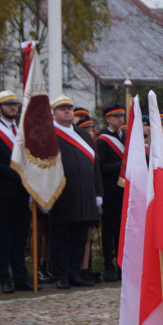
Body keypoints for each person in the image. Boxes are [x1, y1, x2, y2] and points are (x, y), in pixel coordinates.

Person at [49, 95, 103, 289]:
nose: (67, 111)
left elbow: (94, 164)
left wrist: (98, 194)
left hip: (86, 193)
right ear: (54, 113)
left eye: (69, 108)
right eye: (62, 108)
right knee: (61, 238)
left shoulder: (81, 134)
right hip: (63, 194)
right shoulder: (50, 134)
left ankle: (74, 272)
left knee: (80, 237)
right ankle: (61, 275)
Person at [0, 90, 35, 293]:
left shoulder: (22, 130)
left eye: (15, 104)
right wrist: (20, 175)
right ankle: (5, 278)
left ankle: (20, 278)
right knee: (3, 237)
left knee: (20, 237)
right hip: (5, 192)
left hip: (24, 192)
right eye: (8, 104)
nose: (13, 107)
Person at [96, 103, 126, 282]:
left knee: (122, 230)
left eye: (121, 116)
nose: (120, 119)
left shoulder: (125, 137)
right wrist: (123, 165)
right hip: (110, 190)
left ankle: (122, 264)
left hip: (124, 191)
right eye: (116, 116)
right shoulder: (103, 139)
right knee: (109, 229)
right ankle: (108, 265)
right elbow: (102, 166)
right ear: (107, 118)